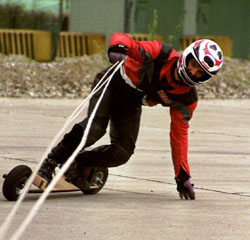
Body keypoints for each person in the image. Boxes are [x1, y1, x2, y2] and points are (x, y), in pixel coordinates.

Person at [38, 33, 223, 200]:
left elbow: (179, 135)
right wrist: (118, 47)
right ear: (188, 56)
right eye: (193, 65)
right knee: (95, 129)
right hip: (112, 83)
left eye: (200, 73)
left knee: (122, 153)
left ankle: (77, 164)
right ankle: (50, 162)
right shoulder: (161, 54)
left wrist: (182, 175)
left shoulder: (187, 99)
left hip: (131, 102)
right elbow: (126, 41)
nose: (193, 73)